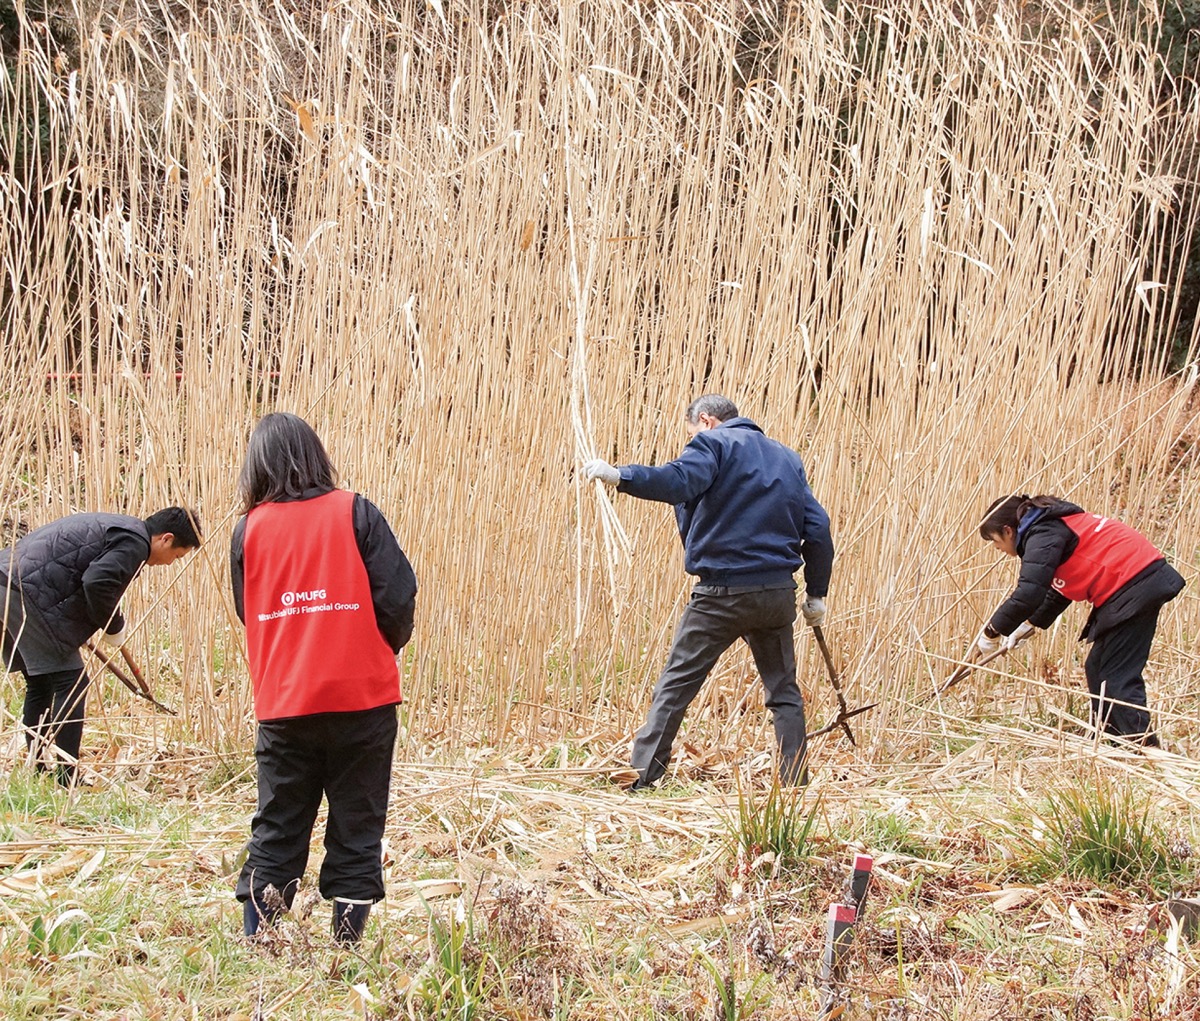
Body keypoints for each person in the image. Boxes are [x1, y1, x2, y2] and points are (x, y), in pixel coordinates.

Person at [230, 412, 416, 944]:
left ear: (256, 466)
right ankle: (346, 947)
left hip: (284, 702)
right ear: (316, 454)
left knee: (279, 820)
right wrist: (380, 647)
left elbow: (252, 611)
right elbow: (398, 596)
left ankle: (260, 939)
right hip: (363, 699)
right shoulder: (357, 512)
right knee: (358, 822)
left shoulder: (248, 530)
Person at [584, 394, 834, 790]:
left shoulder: (713, 444)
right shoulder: (788, 458)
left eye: (691, 432)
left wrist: (621, 476)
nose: (690, 440)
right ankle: (794, 783)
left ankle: (643, 776)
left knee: (676, 685)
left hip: (721, 594)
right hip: (775, 595)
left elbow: (678, 481)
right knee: (784, 691)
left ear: (707, 420)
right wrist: (816, 593)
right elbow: (818, 528)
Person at [0, 507, 200, 785]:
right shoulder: (134, 542)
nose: (170, 564)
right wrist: (113, 626)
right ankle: (66, 777)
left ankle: (38, 768)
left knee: (42, 681)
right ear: (166, 538)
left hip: (8, 581)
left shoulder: (119, 527)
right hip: (25, 592)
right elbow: (98, 583)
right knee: (73, 681)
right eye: (176, 556)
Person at [973, 493, 1185, 746]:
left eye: (995, 541)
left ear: (1008, 531)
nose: (997, 549)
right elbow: (1060, 588)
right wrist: (1029, 624)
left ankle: (1142, 750)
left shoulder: (1043, 533)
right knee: (1097, 668)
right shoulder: (1050, 527)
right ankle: (1115, 742)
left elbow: (1028, 594)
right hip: (1137, 584)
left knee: (1114, 675)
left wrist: (992, 632)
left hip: (1135, 584)